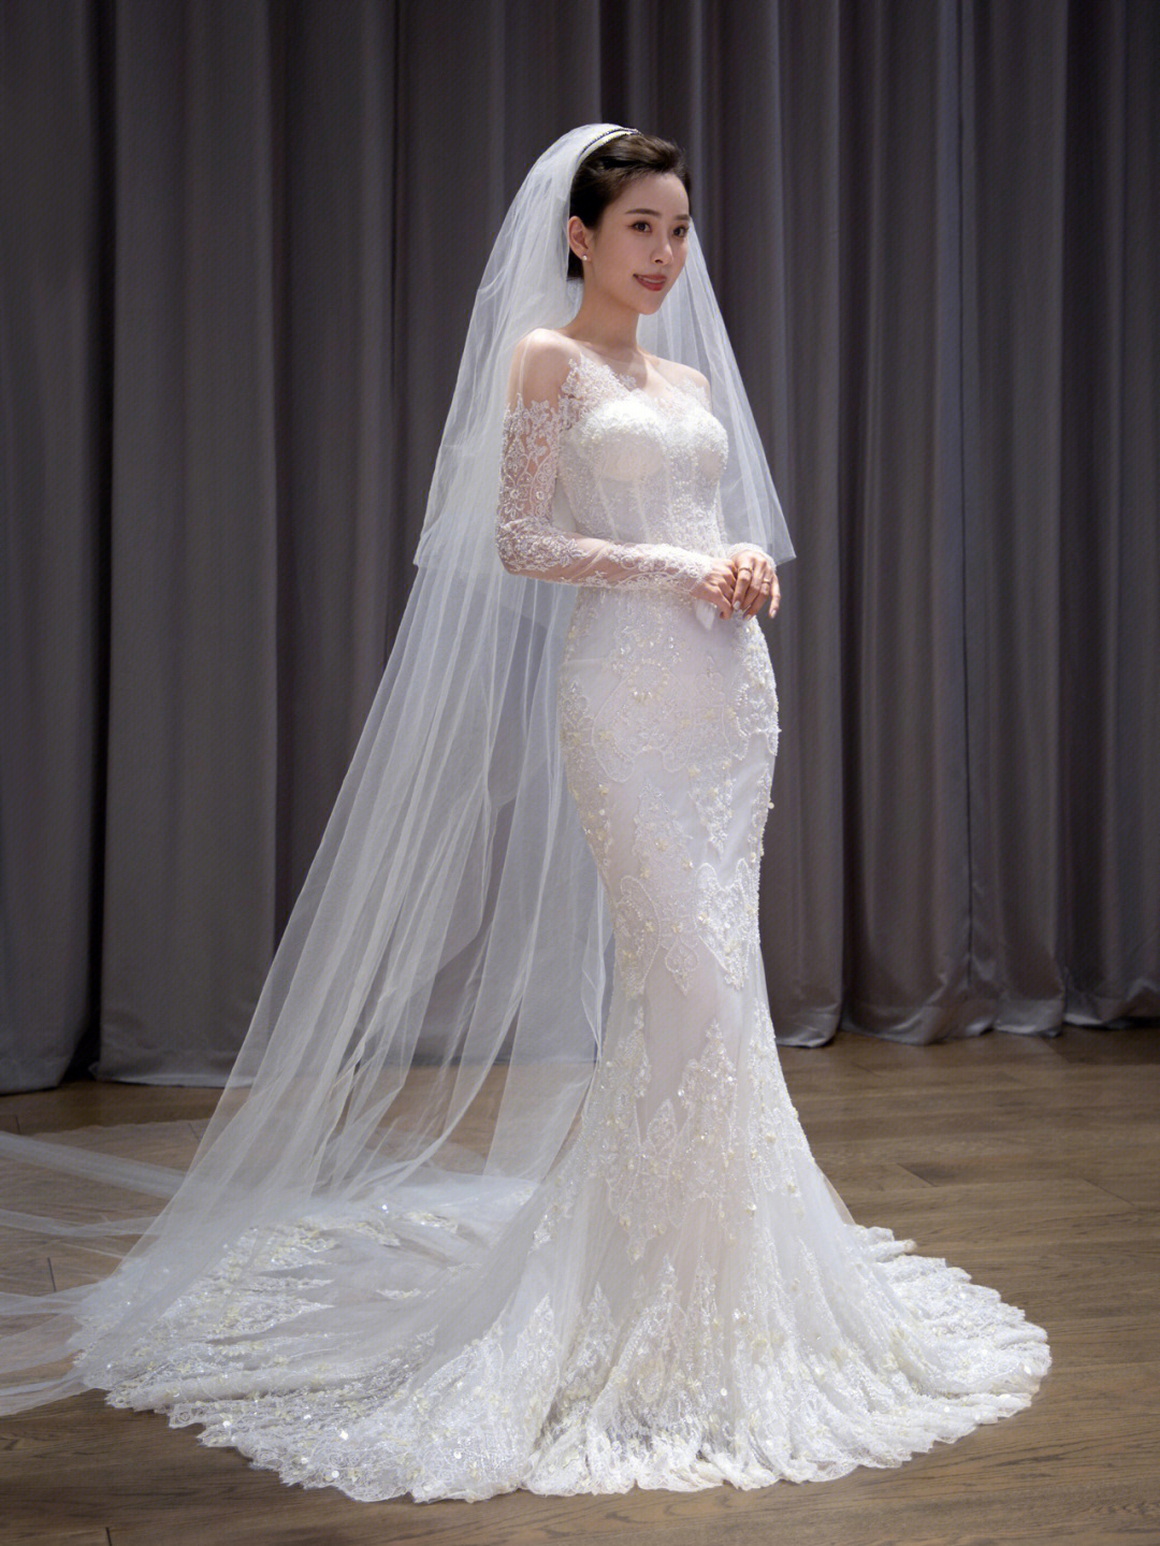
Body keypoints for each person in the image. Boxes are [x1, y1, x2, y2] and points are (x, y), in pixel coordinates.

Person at [0, 125, 1048, 1501]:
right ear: (579, 235)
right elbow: (519, 540)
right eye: (641, 228)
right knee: (689, 980)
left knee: (714, 993)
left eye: (680, 228)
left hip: (730, 700)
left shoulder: (686, 378)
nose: (666, 253)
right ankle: (638, 1295)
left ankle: (715, 1282)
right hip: (623, 698)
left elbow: (721, 523)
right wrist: (677, 565)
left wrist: (743, 560)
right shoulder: (546, 360)